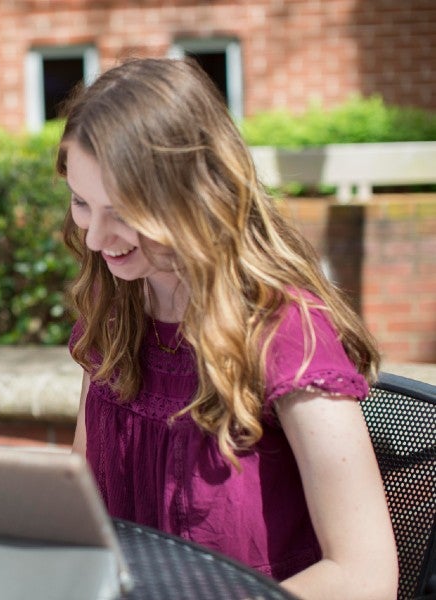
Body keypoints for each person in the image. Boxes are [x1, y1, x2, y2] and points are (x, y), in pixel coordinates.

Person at [57, 57, 397, 599]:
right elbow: (86, 486)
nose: (96, 237)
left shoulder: (287, 332)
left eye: (122, 212)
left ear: (195, 196)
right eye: (81, 202)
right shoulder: (114, 300)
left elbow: (364, 576)